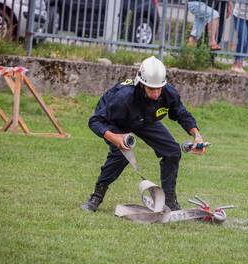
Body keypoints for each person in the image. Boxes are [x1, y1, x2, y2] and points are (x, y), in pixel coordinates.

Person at [82, 56, 207, 212]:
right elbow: (95, 121)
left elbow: (181, 114)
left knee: (172, 151)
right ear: (141, 84)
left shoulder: (168, 92)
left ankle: (168, 201)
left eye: (159, 88)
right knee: (121, 154)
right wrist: (115, 137)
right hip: (116, 122)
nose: (156, 94)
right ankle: (96, 196)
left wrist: (196, 135)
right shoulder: (122, 98)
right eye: (151, 89)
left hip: (144, 119)